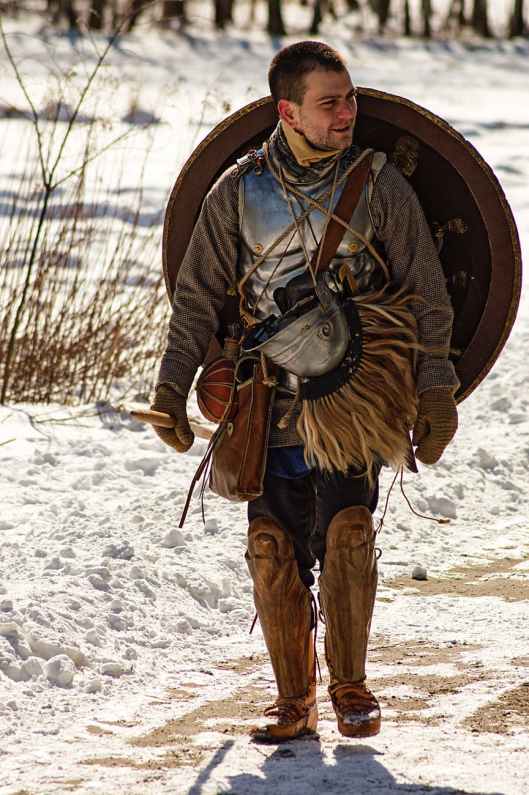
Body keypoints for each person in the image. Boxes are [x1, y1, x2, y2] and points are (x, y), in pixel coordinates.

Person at [152, 41, 459, 742]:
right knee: (270, 543)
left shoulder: (379, 185)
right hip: (265, 398)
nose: (347, 113)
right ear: (288, 111)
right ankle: (294, 699)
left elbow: (428, 294)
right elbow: (197, 299)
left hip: (355, 397)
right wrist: (171, 389)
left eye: (350, 99)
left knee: (347, 533)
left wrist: (436, 390)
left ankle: (350, 686)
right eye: (330, 104)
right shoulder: (237, 192)